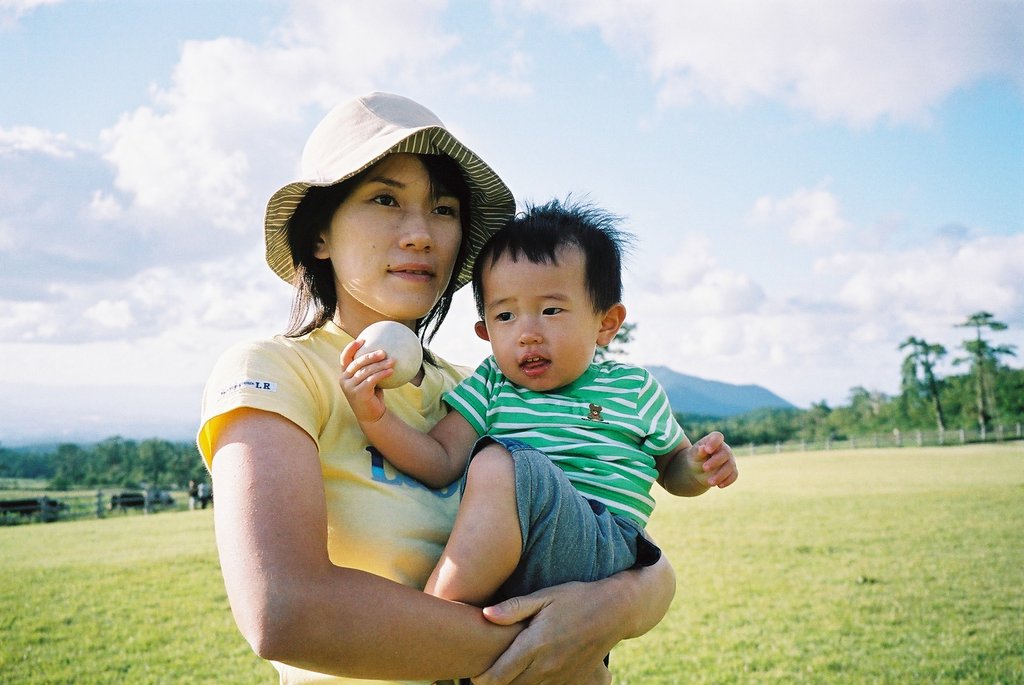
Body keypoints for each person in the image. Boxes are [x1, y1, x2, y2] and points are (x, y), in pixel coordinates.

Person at [198, 92, 678, 685]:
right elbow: (283, 611)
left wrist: (628, 601)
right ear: (319, 234)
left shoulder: (482, 389)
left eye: (444, 209)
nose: (422, 234)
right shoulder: (275, 371)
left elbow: (608, 535)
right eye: (384, 199)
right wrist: (557, 641)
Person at [341, 198, 738, 609]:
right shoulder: (492, 385)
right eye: (506, 317)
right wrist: (376, 416)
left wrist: (697, 467)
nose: (527, 333)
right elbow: (440, 460)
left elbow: (672, 470)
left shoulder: (632, 388)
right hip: (514, 559)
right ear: (485, 331)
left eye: (551, 310)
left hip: (600, 545)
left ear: (606, 323)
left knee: (499, 463)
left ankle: (435, 615)